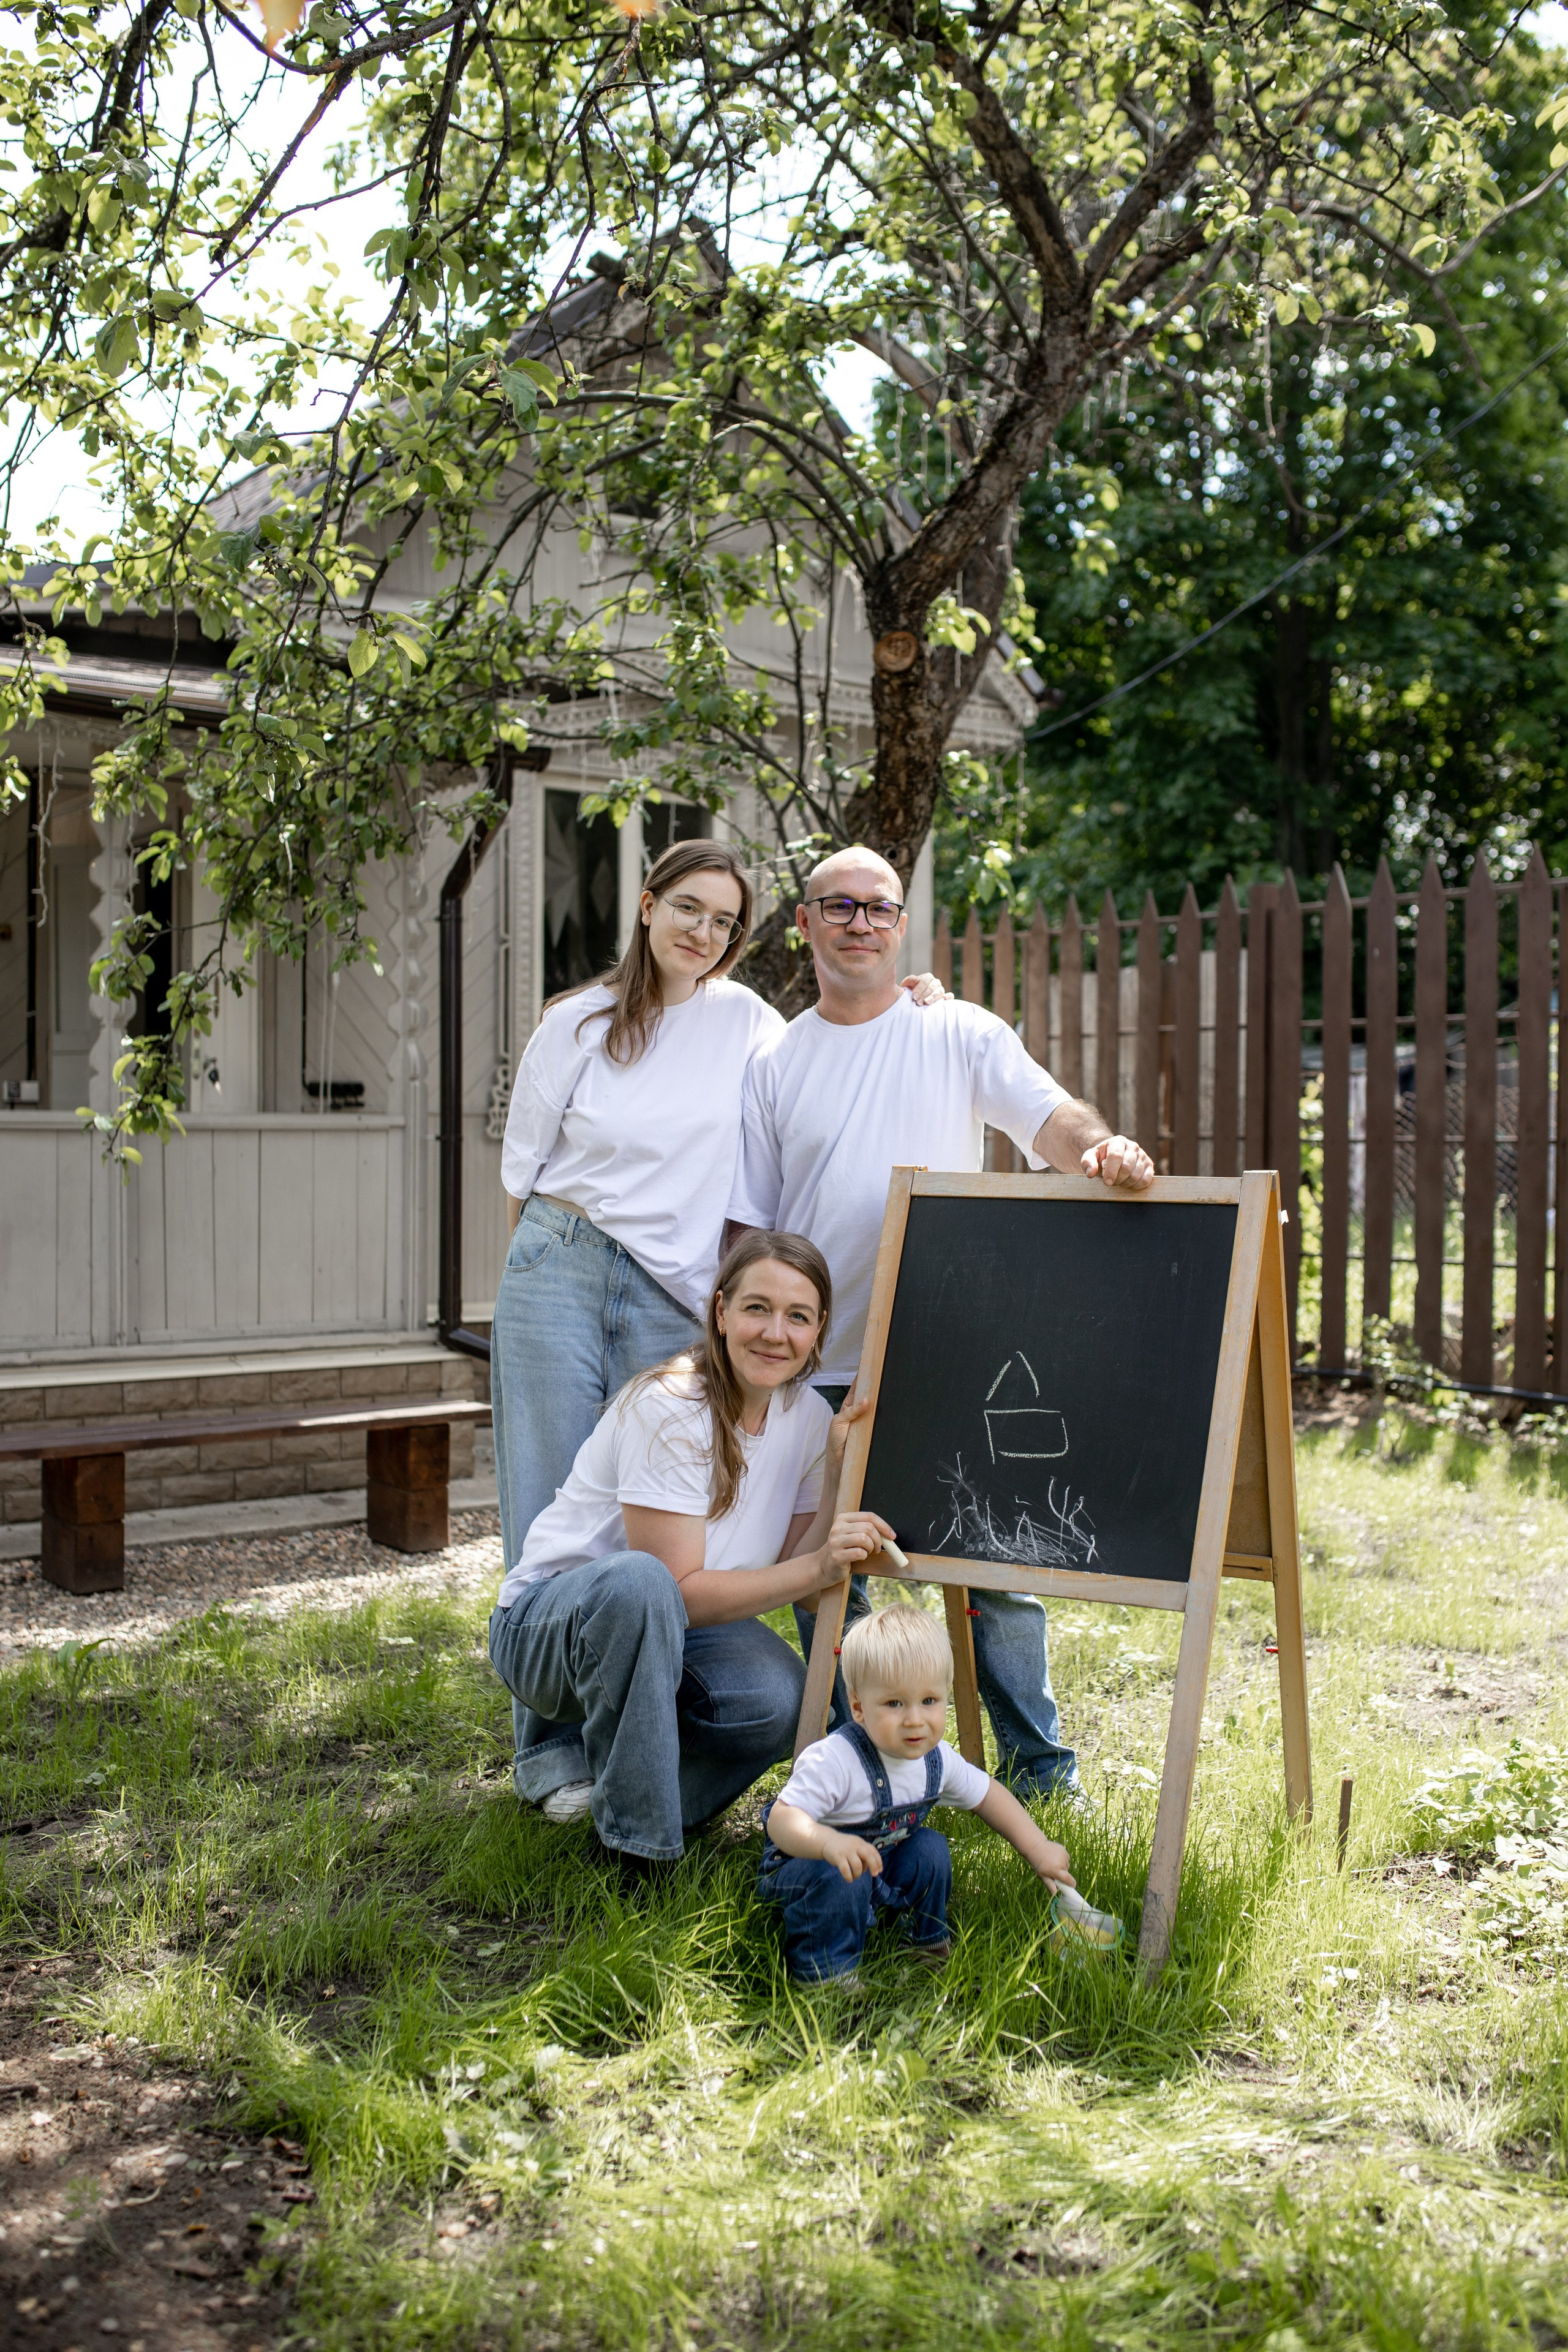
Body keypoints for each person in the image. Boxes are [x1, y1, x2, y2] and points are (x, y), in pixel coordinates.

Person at [494, 836, 948, 1808]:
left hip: (676, 1288)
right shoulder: (575, 1024)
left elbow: (841, 1033)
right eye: (688, 908)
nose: (704, 932)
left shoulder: (748, 1023)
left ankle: (645, 1736)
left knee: (665, 1518)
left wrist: (919, 1002)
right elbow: (522, 1175)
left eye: (725, 921)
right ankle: (548, 1755)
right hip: (560, 1265)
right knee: (548, 1506)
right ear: (648, 906)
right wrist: (529, 1284)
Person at [726, 842, 1156, 1796]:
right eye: (840, 907)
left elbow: (1053, 1122)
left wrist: (1105, 1151)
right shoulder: (774, 1059)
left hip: (953, 1352)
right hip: (817, 1368)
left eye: (879, 909)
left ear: (901, 926)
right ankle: (861, 1777)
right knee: (832, 1582)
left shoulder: (956, 1030)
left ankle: (1043, 1773)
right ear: (805, 925)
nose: (861, 925)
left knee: (998, 1572)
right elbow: (753, 1224)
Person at [486, 1229, 900, 1869]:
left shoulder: (812, 1421)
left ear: (818, 1333)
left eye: (797, 1317)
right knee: (641, 1583)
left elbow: (807, 1582)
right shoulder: (673, 1404)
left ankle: (628, 1805)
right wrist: (815, 1565)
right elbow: (673, 1589)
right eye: (756, 1308)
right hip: (551, 1633)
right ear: (721, 1313)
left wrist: (836, 1493)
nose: (774, 1332)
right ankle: (639, 1857)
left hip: (670, 1632)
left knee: (780, 1698)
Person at [759, 1602, 1076, 1988]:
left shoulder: (936, 1760)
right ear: (858, 1706)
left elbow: (988, 1796)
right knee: (845, 1878)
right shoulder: (836, 1760)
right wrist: (827, 1844)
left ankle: (924, 1943)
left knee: (929, 1849)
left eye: (929, 1701)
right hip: (809, 1872)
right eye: (894, 1704)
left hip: (880, 1863)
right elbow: (782, 1820)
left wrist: (1037, 1848)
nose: (914, 1719)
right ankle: (827, 1974)